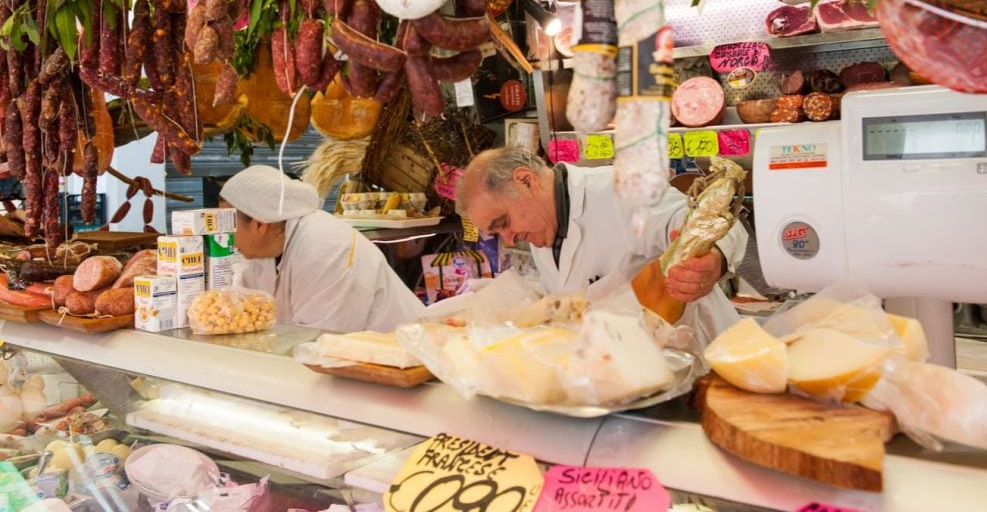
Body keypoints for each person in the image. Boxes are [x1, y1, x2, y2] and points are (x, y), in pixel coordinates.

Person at [455, 147, 747, 346]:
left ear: (525, 181)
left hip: (697, 360)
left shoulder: (620, 191)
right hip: (630, 372)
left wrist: (715, 258)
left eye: (503, 222)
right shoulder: (540, 228)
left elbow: (705, 221)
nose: (508, 238)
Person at [219, 165, 425, 333]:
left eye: (229, 224)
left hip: (403, 359)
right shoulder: (261, 250)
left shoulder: (325, 248)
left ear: (259, 225)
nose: (224, 234)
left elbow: (320, 341)